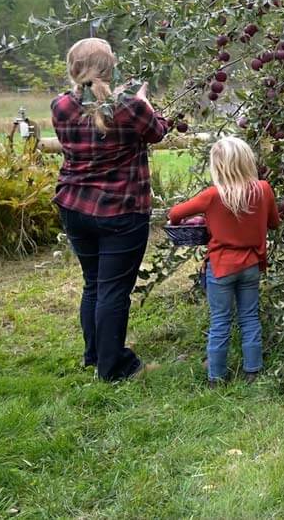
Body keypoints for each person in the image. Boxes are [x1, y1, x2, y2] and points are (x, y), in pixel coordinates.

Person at [52, 38, 168, 381]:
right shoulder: (130, 106)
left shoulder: (59, 105)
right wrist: (144, 101)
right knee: (114, 291)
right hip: (121, 210)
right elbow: (158, 131)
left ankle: (96, 355)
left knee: (94, 284)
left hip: (74, 206)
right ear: (111, 68)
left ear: (74, 69)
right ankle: (114, 368)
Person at [169, 137, 279, 386]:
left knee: (220, 320)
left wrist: (199, 222)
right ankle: (253, 371)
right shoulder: (263, 189)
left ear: (217, 166)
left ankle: (216, 377)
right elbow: (274, 223)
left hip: (221, 267)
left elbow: (175, 213)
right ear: (247, 161)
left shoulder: (212, 195)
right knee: (249, 317)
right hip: (251, 263)